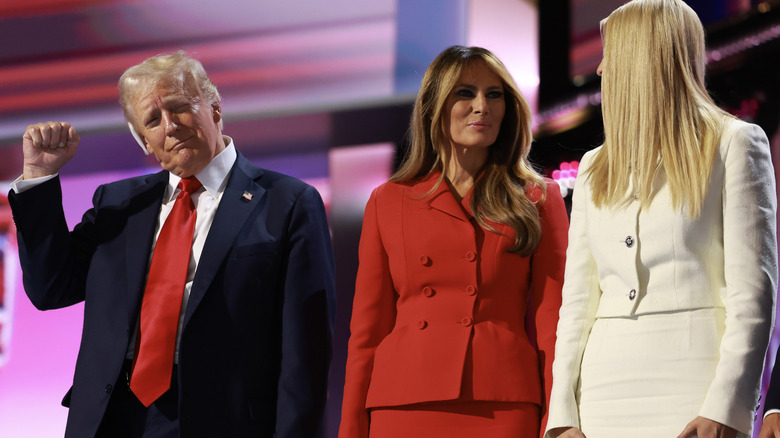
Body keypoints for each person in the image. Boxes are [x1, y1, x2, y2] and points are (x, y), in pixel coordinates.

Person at [8, 51, 336, 437]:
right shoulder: (118, 204)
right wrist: (39, 177)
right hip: (113, 417)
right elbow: (51, 288)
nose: (170, 126)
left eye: (180, 107)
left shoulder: (288, 202)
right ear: (144, 141)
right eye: (152, 120)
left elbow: (305, 352)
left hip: (223, 420)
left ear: (214, 108)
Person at [544, 1, 777, 437]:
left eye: (608, 55)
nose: (599, 71)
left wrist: (726, 406)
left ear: (641, 58)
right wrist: (561, 417)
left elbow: (755, 294)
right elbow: (576, 305)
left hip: (693, 391)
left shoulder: (735, 144)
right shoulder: (595, 166)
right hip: (601, 394)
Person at [338, 45, 568, 438]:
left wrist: (559, 420)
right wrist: (351, 429)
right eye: (466, 93)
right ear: (434, 106)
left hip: (502, 400)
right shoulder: (389, 200)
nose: (482, 106)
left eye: (494, 94)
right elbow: (367, 333)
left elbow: (553, 324)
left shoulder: (538, 198)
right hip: (403, 402)